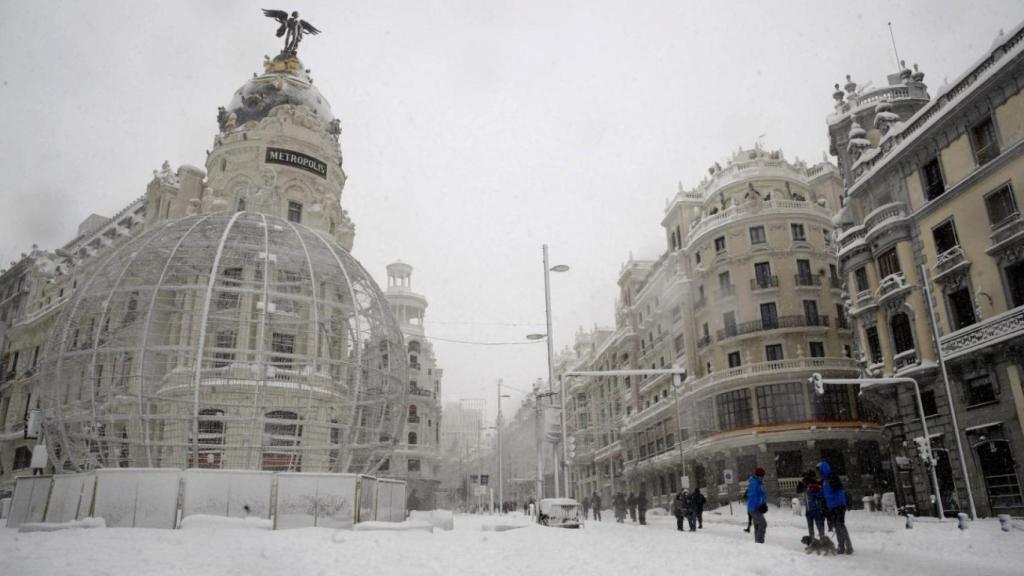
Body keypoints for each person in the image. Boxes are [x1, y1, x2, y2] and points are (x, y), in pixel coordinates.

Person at [817, 460, 853, 555]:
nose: (819, 473)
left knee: (840, 525)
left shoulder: (832, 477)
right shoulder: (824, 481)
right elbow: (824, 494)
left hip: (839, 505)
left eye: (820, 471)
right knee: (837, 526)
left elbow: (838, 489)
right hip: (832, 506)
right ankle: (841, 546)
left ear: (823, 470)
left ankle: (848, 547)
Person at [796, 469, 826, 545]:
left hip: (815, 509)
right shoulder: (806, 486)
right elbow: (798, 490)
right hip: (810, 510)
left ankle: (821, 542)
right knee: (814, 527)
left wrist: (812, 487)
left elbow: (820, 495)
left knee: (816, 527)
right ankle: (813, 543)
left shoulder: (815, 485)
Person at [747, 466, 768, 543]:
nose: (763, 477)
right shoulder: (754, 483)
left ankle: (757, 544)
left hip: (756, 508)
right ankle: (759, 543)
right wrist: (760, 505)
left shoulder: (759, 482)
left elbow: (761, 495)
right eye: (762, 475)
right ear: (759, 475)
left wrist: (764, 504)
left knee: (758, 525)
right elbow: (753, 496)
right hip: (754, 508)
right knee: (763, 524)